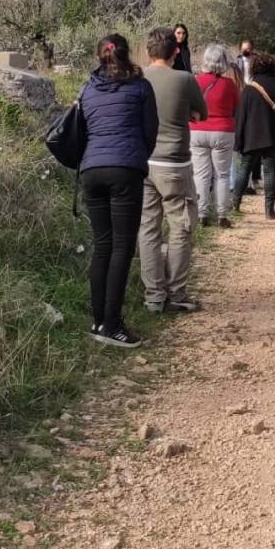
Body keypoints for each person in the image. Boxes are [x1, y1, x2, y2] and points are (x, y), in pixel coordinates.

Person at [79, 34, 159, 349]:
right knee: (122, 248)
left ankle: (98, 321)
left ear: (101, 57)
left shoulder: (87, 89)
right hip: (124, 168)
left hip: (91, 170)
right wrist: (137, 156)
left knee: (102, 245)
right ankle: (112, 324)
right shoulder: (140, 87)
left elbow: (83, 129)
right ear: (127, 55)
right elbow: (150, 132)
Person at [138, 27, 208, 314]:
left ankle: (154, 295)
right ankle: (176, 293)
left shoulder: (138, 77)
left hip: (144, 161)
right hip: (175, 163)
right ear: (176, 51)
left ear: (147, 52)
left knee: (148, 227)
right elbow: (201, 113)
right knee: (180, 226)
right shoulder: (185, 79)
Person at [233, 53, 275, 219]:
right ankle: (269, 210)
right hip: (273, 136)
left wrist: (238, 139)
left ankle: (235, 205)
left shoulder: (249, 89)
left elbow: (240, 117)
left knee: (243, 170)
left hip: (251, 136)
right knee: (269, 172)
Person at [190, 44, 240, 228]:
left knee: (201, 174)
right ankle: (221, 215)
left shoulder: (196, 81)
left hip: (197, 130)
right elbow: (236, 106)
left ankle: (202, 214)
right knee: (222, 175)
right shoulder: (229, 84)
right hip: (223, 131)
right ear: (223, 62)